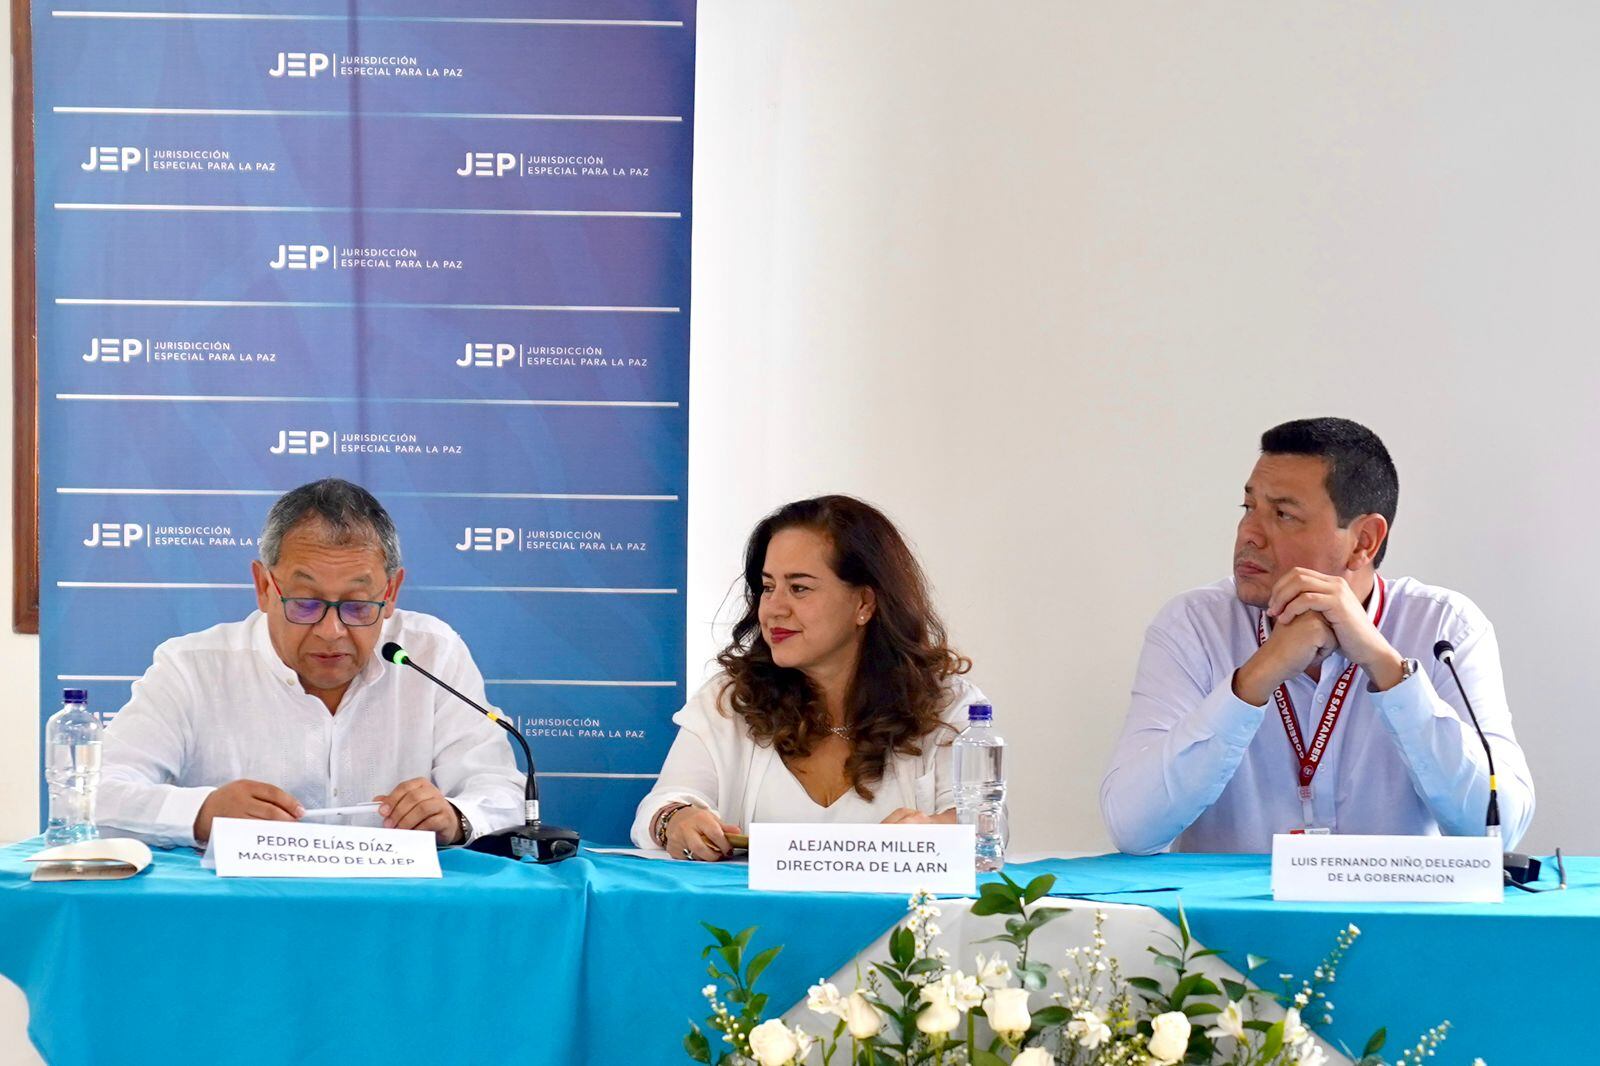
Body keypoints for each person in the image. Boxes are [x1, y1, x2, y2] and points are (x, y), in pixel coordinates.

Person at [1101, 417, 1534, 854]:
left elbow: (1498, 830)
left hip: (1391, 898)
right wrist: (1257, 677)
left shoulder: (1444, 628)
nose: (1249, 534)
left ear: (1364, 541)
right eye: (1248, 507)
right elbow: (1133, 828)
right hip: (1231, 901)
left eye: (1283, 515)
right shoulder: (1193, 626)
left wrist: (1387, 668)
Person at [98, 478, 524, 849]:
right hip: (245, 906)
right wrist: (202, 812)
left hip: (397, 907)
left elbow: (500, 791)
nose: (331, 631)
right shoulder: (191, 668)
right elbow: (98, 794)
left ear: (391, 592)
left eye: (357, 606)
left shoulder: (431, 654)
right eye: (305, 603)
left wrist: (455, 817)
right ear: (264, 587)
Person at [631, 495, 985, 860]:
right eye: (768, 587)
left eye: (799, 588)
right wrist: (675, 819)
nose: (773, 609)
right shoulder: (731, 697)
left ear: (864, 603)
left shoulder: (948, 705)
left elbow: (981, 826)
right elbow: (663, 804)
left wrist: (936, 830)